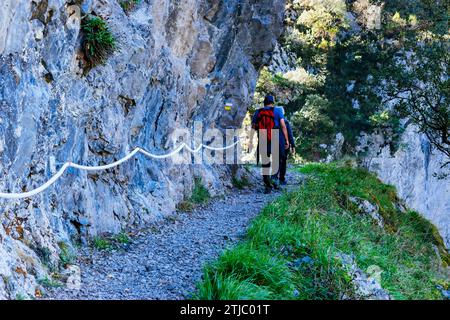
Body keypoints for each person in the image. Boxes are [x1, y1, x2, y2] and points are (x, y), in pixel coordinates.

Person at [252, 95, 290, 194]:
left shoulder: (258, 112)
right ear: (272, 102)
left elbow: (254, 126)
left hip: (263, 136)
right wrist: (287, 140)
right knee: (277, 160)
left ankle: (267, 186)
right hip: (276, 136)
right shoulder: (278, 111)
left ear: (264, 102)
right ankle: (274, 180)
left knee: (265, 163)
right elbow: (283, 126)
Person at [275, 107, 295, 185]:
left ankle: (274, 177)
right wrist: (292, 145)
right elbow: (290, 134)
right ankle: (282, 179)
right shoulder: (285, 122)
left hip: (274, 143)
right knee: (283, 162)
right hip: (284, 145)